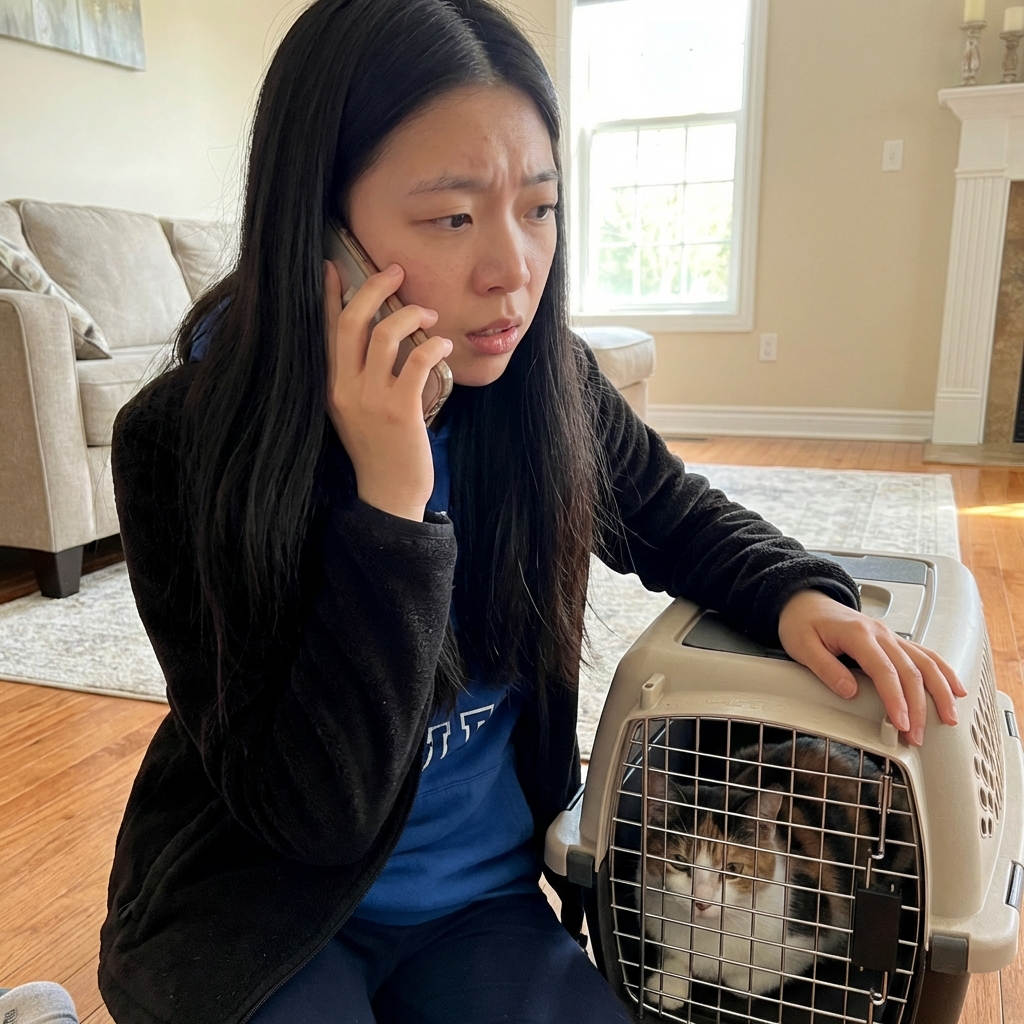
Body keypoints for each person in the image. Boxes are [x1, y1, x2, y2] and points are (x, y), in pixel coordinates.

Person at [97, 1, 966, 1021]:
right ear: (321, 227)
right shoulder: (182, 441)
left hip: (478, 904)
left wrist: (792, 593)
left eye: (540, 207)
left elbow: (671, 512)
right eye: (452, 217)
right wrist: (392, 499)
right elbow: (316, 817)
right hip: (257, 906)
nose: (512, 268)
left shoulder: (543, 386)